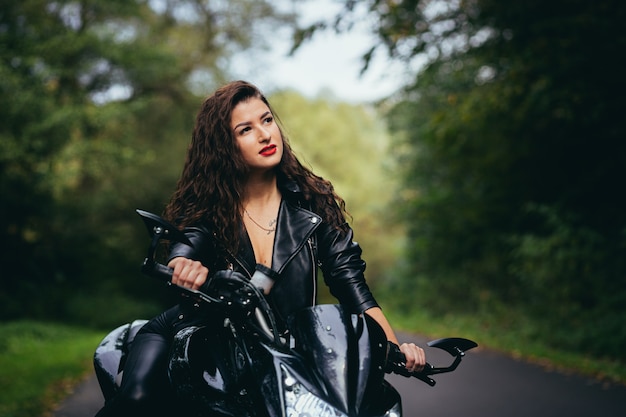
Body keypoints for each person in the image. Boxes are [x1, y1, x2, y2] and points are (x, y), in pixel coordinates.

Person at [95, 80, 425, 416]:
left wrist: (395, 349)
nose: (265, 135)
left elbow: (353, 287)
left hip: (290, 351)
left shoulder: (315, 202)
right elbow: (186, 245)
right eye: (245, 130)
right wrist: (184, 264)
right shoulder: (209, 207)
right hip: (203, 339)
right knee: (135, 402)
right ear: (224, 145)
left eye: (267, 120)